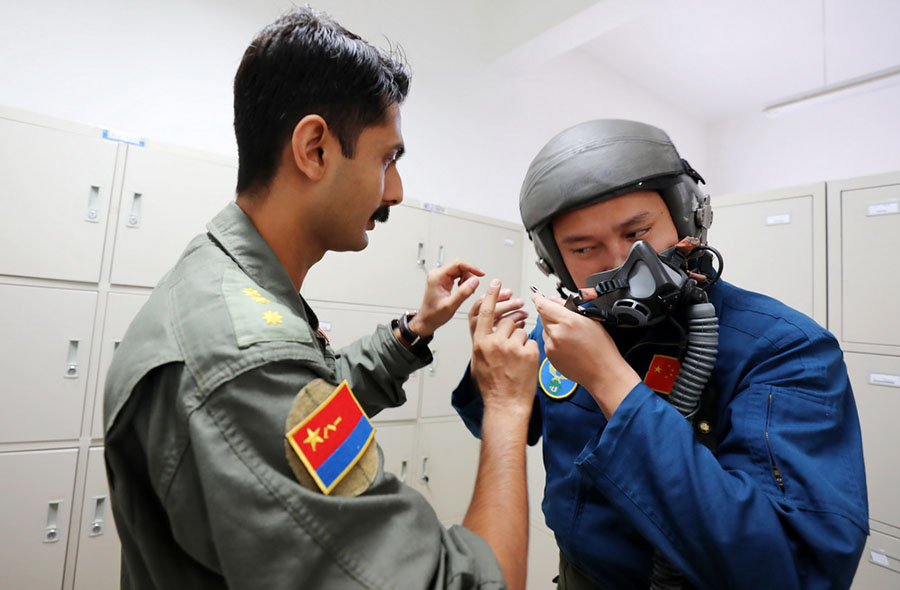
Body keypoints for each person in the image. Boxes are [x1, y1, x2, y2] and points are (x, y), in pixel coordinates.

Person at [103, 8, 538, 589]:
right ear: (314, 149)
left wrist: (416, 329)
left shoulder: (222, 283)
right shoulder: (245, 360)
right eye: (387, 159)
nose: (396, 191)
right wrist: (505, 407)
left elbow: (310, 407)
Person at [453, 119, 868, 589]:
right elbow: (500, 422)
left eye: (638, 231)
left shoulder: (783, 349)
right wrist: (490, 367)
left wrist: (610, 381)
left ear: (687, 217)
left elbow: (795, 570)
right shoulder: (564, 331)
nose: (620, 264)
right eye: (584, 248)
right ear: (555, 262)